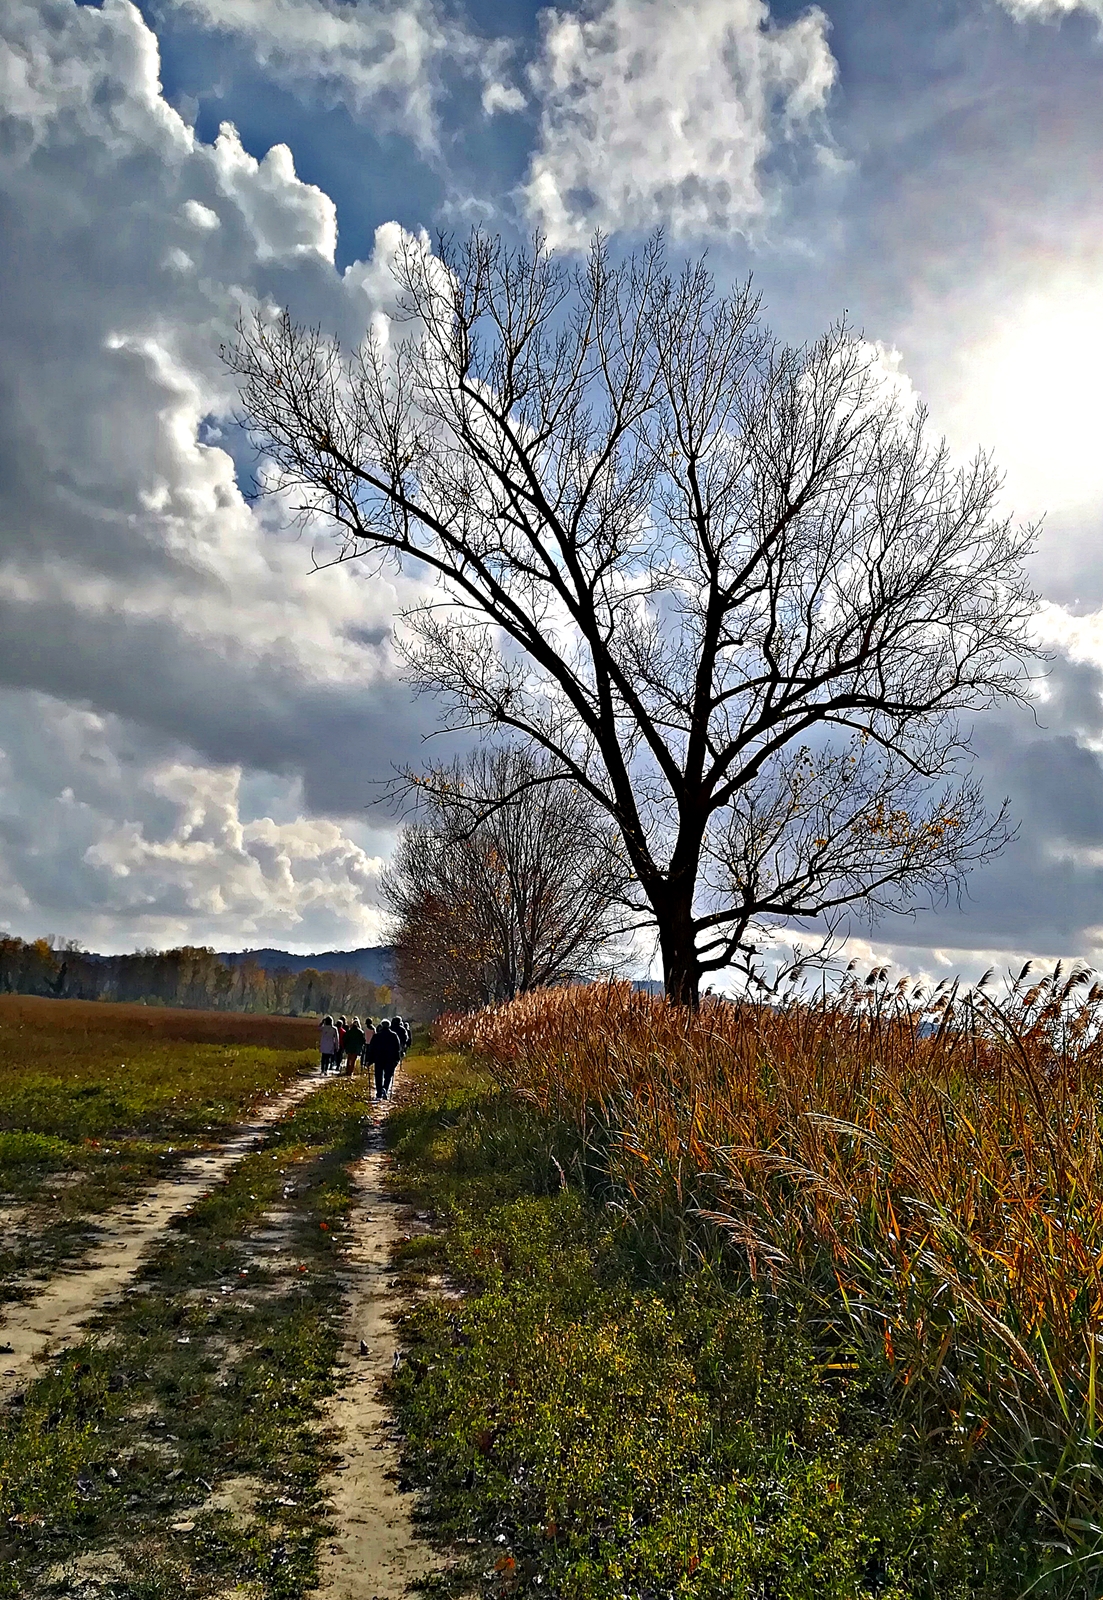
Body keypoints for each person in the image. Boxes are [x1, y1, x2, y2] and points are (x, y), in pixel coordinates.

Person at [369, 1018, 402, 1101]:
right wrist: (396, 1059)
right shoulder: (394, 1035)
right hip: (389, 1059)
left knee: (378, 1076)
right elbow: (397, 1049)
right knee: (388, 1075)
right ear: (389, 1026)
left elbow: (371, 1048)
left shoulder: (376, 1036)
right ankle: (385, 1089)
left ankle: (379, 1093)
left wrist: (369, 1060)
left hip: (379, 1059)